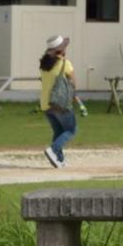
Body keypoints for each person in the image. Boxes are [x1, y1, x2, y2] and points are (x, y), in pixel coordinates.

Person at [37, 34, 85, 168]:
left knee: (58, 132)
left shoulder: (43, 65)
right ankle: (53, 149)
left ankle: (59, 159)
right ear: (61, 50)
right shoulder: (65, 64)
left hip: (46, 104)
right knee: (71, 130)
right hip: (60, 104)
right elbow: (74, 84)